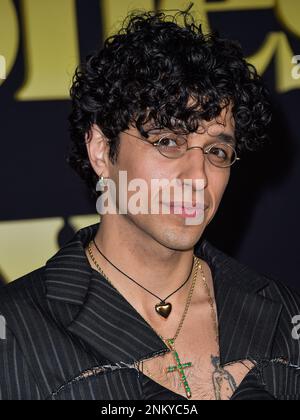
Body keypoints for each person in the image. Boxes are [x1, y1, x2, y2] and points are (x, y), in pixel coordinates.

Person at [0, 7, 299, 400]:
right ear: (103, 150)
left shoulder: (281, 312)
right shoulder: (17, 328)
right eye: (168, 142)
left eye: (217, 152)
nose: (197, 177)